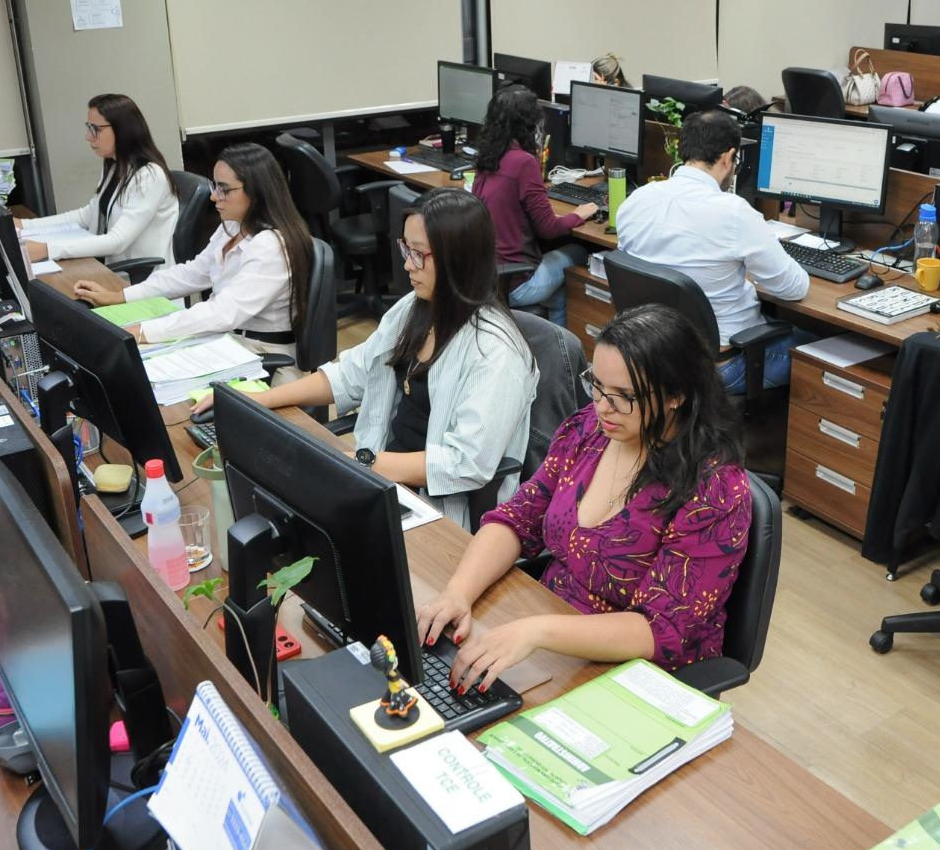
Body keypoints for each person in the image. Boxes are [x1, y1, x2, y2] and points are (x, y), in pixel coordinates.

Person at [417, 305, 751, 688]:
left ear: (676, 395)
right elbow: (517, 519)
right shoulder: (589, 430)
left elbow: (661, 631)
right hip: (554, 637)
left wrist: (536, 632)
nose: (603, 407)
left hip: (636, 676)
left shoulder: (715, 490)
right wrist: (457, 593)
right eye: (597, 385)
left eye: (624, 396)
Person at [193, 187, 537, 530]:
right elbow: (351, 374)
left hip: (440, 511)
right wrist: (256, 401)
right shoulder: (415, 309)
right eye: (406, 249)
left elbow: (465, 464)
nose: (406, 265)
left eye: (418, 254)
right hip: (384, 481)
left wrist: (362, 464)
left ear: (458, 259)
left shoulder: (494, 351)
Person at [72, 143, 313, 380]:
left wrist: (145, 331)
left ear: (257, 191)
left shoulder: (270, 246)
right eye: (214, 185)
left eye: (224, 189)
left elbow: (223, 312)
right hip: (231, 342)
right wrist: (121, 296)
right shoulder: (233, 225)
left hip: (264, 360)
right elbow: (191, 273)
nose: (214, 196)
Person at [615, 109, 810, 393]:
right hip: (723, 365)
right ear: (728, 157)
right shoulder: (733, 214)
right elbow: (795, 288)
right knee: (816, 348)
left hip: (657, 357)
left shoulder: (636, 201)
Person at [470, 85, 597, 324]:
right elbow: (548, 228)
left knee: (558, 294)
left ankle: (554, 347)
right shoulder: (523, 163)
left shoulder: (486, 158)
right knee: (580, 251)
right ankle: (565, 353)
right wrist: (578, 214)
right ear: (529, 125)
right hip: (518, 283)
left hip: (487, 280)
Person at [18, 93, 179, 264]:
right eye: (89, 127)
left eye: (97, 129)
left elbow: (118, 241)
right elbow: (88, 215)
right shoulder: (115, 165)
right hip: (111, 268)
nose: (89, 136)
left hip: (141, 278)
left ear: (122, 129)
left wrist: (47, 249)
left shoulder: (149, 177)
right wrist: (24, 225)